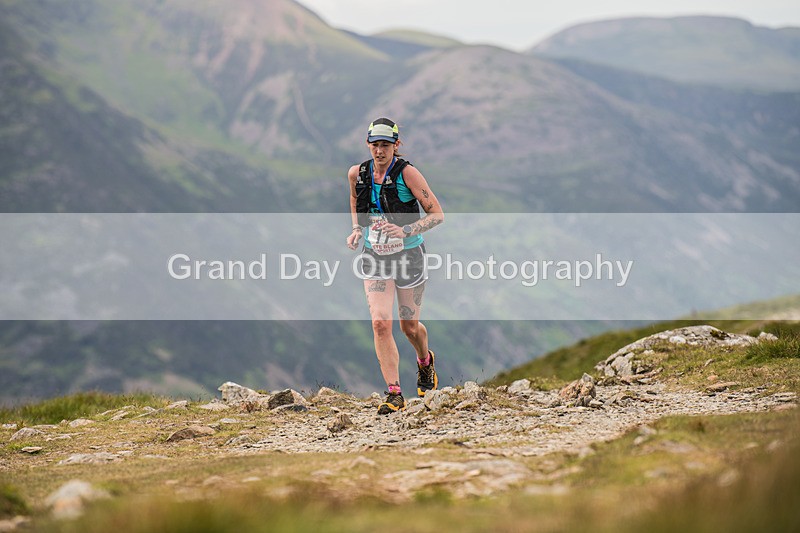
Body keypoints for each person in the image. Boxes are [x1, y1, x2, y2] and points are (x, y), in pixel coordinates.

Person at [346, 117, 445, 415]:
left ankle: (425, 362)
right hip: (374, 256)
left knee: (409, 327)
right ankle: (394, 393)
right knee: (379, 322)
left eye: (386, 145)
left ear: (396, 145)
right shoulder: (357, 173)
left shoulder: (408, 174)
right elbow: (355, 200)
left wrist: (406, 230)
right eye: (375, 145)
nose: (380, 151)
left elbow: (437, 214)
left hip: (409, 256)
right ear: (368, 144)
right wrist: (357, 230)